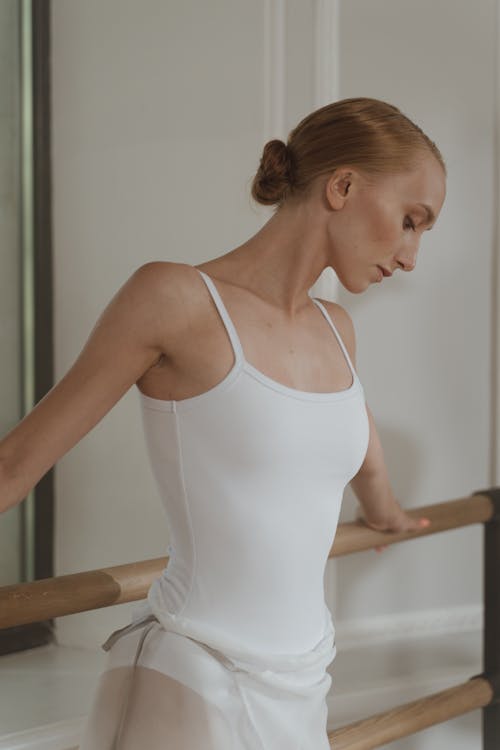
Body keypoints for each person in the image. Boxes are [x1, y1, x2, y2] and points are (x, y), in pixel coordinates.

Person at [0, 97, 446, 749]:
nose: (410, 257)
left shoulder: (336, 330)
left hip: (302, 680)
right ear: (343, 186)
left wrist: (387, 513)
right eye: (410, 221)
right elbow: (15, 465)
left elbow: (357, 453)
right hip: (189, 676)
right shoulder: (174, 299)